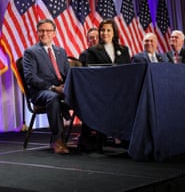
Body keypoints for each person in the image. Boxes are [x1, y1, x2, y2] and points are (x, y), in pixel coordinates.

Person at [78, 19, 131, 151]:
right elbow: (91, 74)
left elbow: (129, 71)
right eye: (102, 30)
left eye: (108, 30)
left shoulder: (123, 50)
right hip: (101, 91)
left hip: (121, 90)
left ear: (114, 32)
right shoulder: (92, 51)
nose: (105, 33)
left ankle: (125, 137)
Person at [23, 19, 71, 154]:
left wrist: (68, 86)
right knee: (53, 97)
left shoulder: (61, 51)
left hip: (62, 90)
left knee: (83, 94)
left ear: (54, 33)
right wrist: (53, 88)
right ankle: (57, 140)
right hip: (41, 92)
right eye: (41, 31)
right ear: (37, 33)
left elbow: (68, 74)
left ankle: (88, 136)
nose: (45, 34)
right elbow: (31, 78)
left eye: (48, 31)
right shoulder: (31, 52)